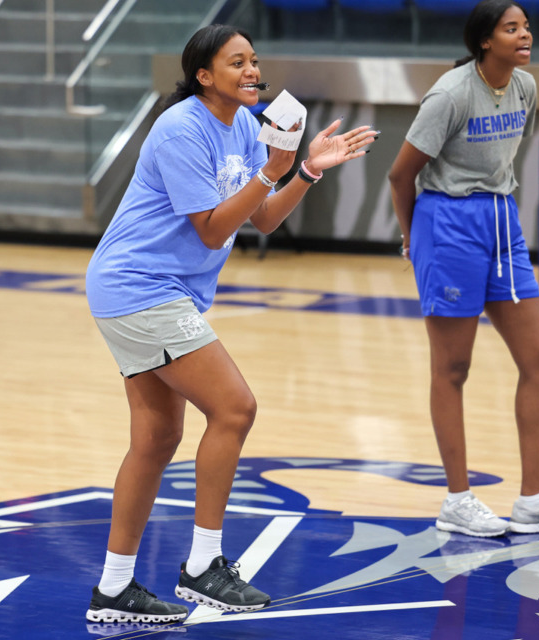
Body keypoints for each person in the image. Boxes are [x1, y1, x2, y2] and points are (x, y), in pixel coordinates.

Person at [84, 23, 378, 623]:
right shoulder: (180, 128)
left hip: (155, 291)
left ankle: (115, 588)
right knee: (235, 408)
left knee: (157, 439)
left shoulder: (245, 124)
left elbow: (263, 220)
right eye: (237, 62)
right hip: (141, 287)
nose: (252, 71)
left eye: (254, 61)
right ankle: (203, 567)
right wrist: (272, 169)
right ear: (204, 75)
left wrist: (306, 170)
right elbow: (213, 229)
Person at [388, 0, 539, 538]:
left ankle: (533, 499)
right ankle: (457, 500)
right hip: (448, 223)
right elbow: (399, 174)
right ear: (484, 40)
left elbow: (500, 164)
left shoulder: (524, 87)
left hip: (501, 219)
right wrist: (415, 238)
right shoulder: (451, 94)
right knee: (453, 368)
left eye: (526, 27)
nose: (525, 36)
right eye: (511, 28)